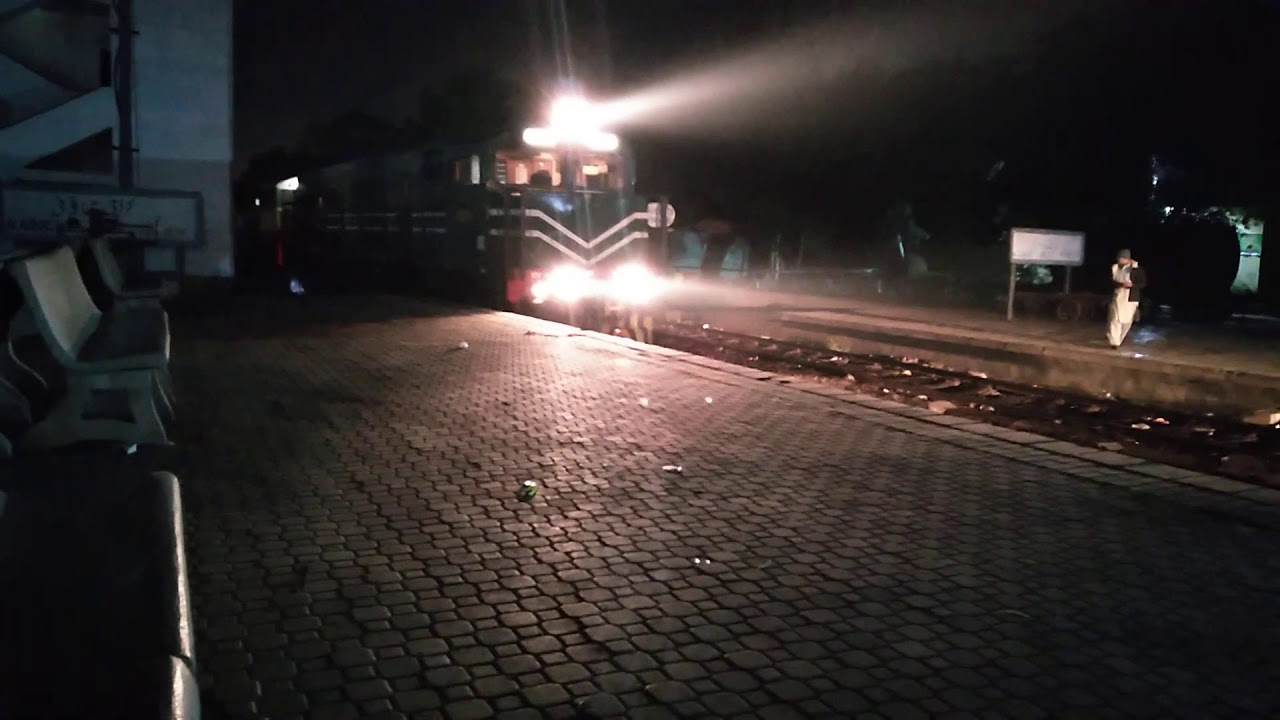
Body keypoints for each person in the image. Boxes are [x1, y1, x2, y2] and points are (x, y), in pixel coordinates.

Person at [1107, 248, 1147, 348]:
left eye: (1123, 258)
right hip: (1118, 296)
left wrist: (1132, 285)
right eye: (1119, 258)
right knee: (1114, 319)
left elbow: (1142, 283)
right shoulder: (1115, 268)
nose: (1120, 260)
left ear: (1128, 259)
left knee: (1127, 320)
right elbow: (1110, 282)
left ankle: (1119, 339)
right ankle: (1114, 342)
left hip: (1131, 298)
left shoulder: (1137, 269)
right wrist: (1121, 284)